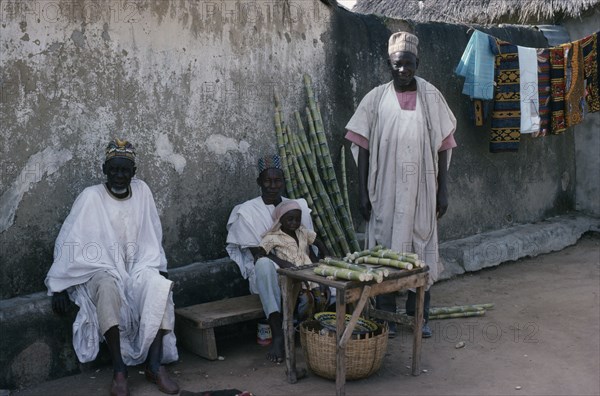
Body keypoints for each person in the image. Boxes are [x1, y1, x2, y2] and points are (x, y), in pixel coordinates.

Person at [345, 31, 457, 338]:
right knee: (384, 251)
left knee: (421, 251)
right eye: (397, 64)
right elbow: (362, 144)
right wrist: (363, 193)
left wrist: (442, 190)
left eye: (408, 64)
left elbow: (445, 145)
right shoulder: (376, 97)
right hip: (386, 190)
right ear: (389, 64)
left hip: (422, 191)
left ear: (417, 62)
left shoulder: (432, 96)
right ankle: (387, 318)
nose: (403, 70)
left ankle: (419, 317)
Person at [45, 139, 180, 396]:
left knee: (160, 287)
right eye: (114, 170)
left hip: (137, 266)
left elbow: (152, 234)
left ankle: (155, 364)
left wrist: (158, 265)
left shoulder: (142, 192)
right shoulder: (90, 197)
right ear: (104, 169)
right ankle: (119, 369)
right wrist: (59, 286)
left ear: (134, 172)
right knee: (106, 287)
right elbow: (69, 242)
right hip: (101, 267)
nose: (120, 175)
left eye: (125, 170)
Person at [226, 155, 314, 363]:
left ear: (284, 182)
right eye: (267, 181)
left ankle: (311, 329)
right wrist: (283, 264)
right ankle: (278, 334)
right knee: (264, 264)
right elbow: (258, 253)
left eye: (278, 181)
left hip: (298, 264)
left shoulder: (295, 206)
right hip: (268, 271)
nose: (273, 186)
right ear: (259, 182)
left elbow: (307, 239)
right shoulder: (247, 211)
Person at [259, 200, 330, 320]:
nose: (294, 223)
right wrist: (282, 262)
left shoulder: (302, 232)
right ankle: (299, 325)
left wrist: (327, 256)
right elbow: (261, 253)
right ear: (280, 219)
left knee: (321, 298)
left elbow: (317, 241)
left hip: (309, 273)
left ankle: (313, 326)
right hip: (292, 276)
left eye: (297, 219)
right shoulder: (273, 236)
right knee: (306, 301)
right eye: (290, 219)